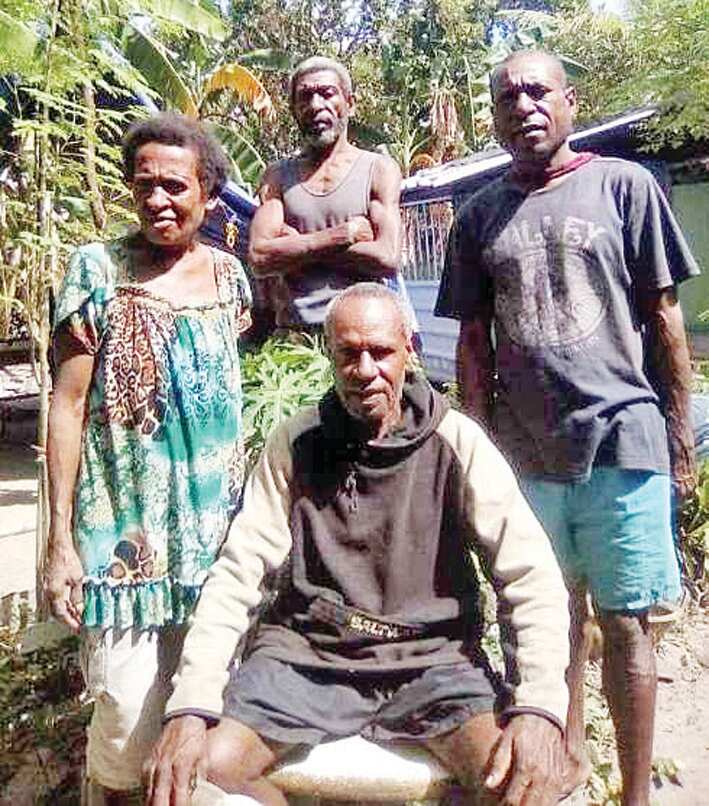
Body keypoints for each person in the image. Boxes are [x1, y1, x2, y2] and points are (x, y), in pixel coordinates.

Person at [146, 282, 570, 806]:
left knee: (525, 787)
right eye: (348, 353)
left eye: (381, 352)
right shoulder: (296, 445)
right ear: (329, 355)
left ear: (408, 351)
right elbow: (237, 574)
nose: (365, 370)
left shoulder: (456, 443)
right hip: (307, 661)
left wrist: (539, 709)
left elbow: (530, 577)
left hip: (432, 664)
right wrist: (191, 706)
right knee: (193, 779)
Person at [435, 49, 700, 806]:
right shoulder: (478, 215)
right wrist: (478, 454)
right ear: (492, 116)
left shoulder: (626, 187)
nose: (523, 105)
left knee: (625, 627)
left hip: (623, 441)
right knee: (551, 629)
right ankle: (566, 775)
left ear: (569, 100)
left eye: (536, 90)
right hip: (524, 458)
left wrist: (678, 443)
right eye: (506, 96)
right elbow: (471, 349)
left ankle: (636, 795)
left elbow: (665, 324)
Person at [43, 113, 252, 803]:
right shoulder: (96, 271)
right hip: (121, 548)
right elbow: (67, 407)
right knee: (127, 726)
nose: (158, 200)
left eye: (175, 186)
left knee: (200, 720)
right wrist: (58, 544)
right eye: (144, 186)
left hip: (213, 547)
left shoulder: (229, 277)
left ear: (209, 194)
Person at [247, 56, 405, 332]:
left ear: (350, 103)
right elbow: (260, 257)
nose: (315, 105)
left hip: (363, 334)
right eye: (305, 97)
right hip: (297, 342)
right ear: (294, 109)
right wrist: (341, 236)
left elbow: (387, 258)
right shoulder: (277, 177)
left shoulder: (378, 170)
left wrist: (298, 246)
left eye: (327, 94)